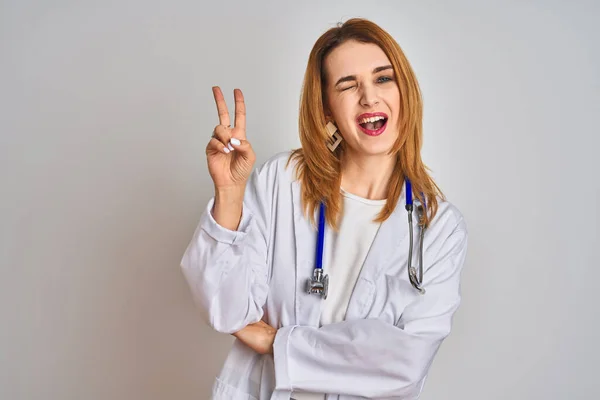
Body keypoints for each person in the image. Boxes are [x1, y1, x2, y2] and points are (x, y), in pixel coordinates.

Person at [181, 18, 468, 400]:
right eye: (348, 85)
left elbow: (404, 365)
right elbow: (226, 309)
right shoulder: (283, 181)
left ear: (405, 93)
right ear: (327, 109)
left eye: (383, 79)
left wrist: (276, 342)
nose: (369, 97)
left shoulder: (438, 228)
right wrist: (230, 194)